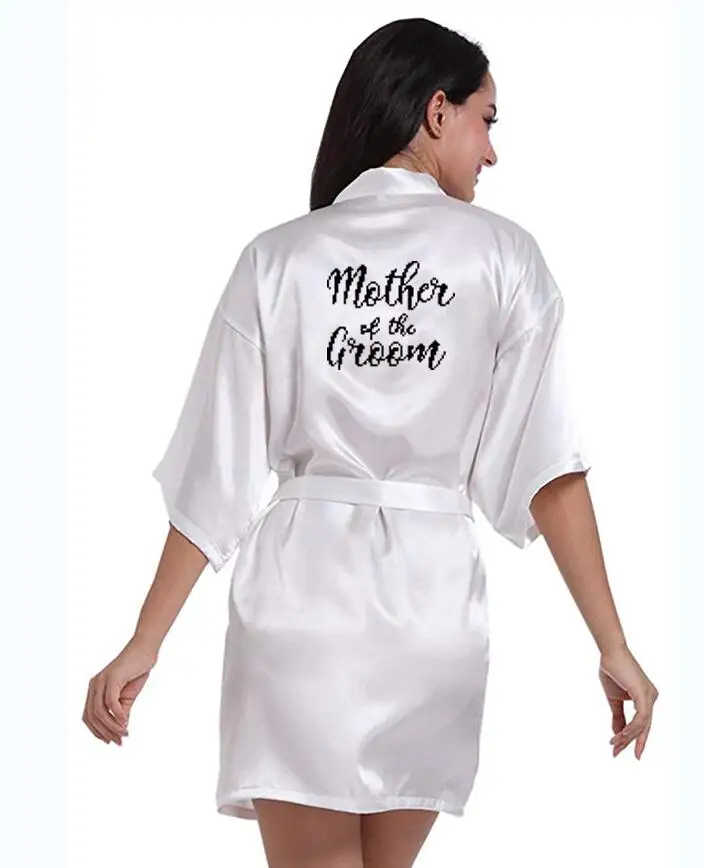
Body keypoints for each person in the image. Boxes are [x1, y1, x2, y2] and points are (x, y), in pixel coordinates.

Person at [82, 16, 659, 868]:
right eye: (487, 120)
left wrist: (145, 640)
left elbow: (216, 472)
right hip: (432, 612)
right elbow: (549, 472)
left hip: (303, 607)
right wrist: (612, 644)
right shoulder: (506, 258)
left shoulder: (279, 259)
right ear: (437, 110)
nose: (492, 151)